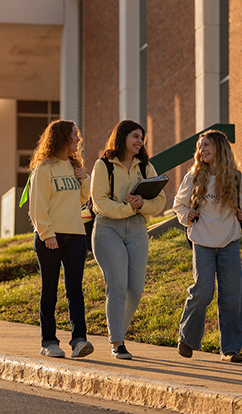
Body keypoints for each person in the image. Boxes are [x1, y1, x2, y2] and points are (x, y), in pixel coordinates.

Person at [90, 120, 167, 359]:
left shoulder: (145, 167)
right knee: (117, 286)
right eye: (135, 136)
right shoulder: (103, 165)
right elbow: (99, 201)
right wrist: (127, 208)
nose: (139, 141)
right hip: (108, 228)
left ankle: (118, 332)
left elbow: (160, 201)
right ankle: (117, 342)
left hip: (136, 229)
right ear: (122, 137)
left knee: (135, 289)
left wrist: (141, 204)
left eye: (142, 138)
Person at [173, 129, 242, 363]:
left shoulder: (236, 177)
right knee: (203, 291)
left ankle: (230, 349)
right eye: (200, 146)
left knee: (232, 296)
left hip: (229, 242)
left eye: (206, 145)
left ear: (219, 148)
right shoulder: (193, 177)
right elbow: (179, 205)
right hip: (202, 241)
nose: (202, 150)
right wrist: (187, 214)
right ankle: (187, 338)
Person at [27, 119, 94, 359]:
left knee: (75, 290)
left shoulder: (74, 166)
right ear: (62, 137)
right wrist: (48, 234)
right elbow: (37, 206)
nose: (78, 138)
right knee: (50, 291)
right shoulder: (44, 168)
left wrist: (83, 179)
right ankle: (48, 342)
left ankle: (79, 341)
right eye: (74, 134)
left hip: (76, 236)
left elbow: (82, 200)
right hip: (50, 238)